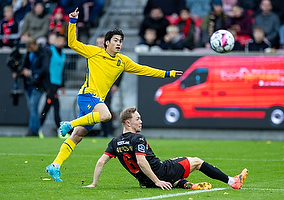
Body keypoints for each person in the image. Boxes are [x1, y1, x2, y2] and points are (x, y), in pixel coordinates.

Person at [45, 8, 183, 182]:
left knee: (78, 136)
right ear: (107, 43)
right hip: (87, 95)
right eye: (115, 41)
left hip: (96, 101)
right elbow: (72, 43)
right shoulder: (94, 52)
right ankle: (68, 124)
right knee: (106, 115)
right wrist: (72, 22)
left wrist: (167, 74)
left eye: (121, 41)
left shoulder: (122, 61)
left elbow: (143, 70)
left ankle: (55, 165)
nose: (119, 44)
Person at [84, 107, 248, 190]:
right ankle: (233, 181)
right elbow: (141, 161)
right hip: (161, 174)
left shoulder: (114, 142)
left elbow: (100, 162)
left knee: (174, 164)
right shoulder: (138, 138)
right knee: (197, 162)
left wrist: (93, 184)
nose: (141, 121)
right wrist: (158, 180)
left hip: (145, 182)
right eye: (137, 119)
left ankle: (182, 184)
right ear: (128, 123)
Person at [17, 37, 50, 136]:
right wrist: (20, 71)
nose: (29, 50)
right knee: (32, 107)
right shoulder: (29, 53)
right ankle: (35, 129)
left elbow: (44, 69)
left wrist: (31, 72)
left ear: (34, 45)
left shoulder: (43, 53)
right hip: (28, 84)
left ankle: (33, 130)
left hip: (38, 85)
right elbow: (23, 65)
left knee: (33, 106)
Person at [96, 35, 124, 137]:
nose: (99, 45)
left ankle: (109, 132)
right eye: (98, 43)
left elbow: (121, 70)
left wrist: (116, 84)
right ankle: (104, 131)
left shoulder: (114, 56)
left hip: (107, 87)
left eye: (101, 43)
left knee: (106, 109)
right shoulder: (95, 56)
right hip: (96, 88)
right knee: (99, 110)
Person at [40, 34, 66, 137]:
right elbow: (46, 68)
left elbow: (62, 72)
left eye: (62, 40)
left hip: (57, 84)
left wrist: (62, 86)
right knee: (55, 105)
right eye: (59, 40)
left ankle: (38, 126)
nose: (60, 42)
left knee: (48, 106)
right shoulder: (49, 51)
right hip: (50, 83)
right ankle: (60, 130)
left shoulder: (63, 55)